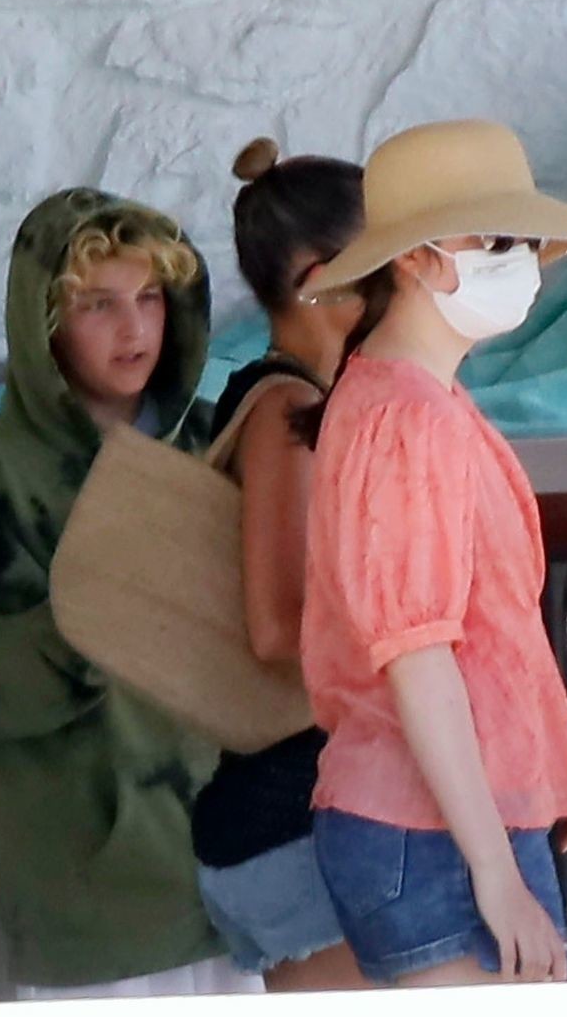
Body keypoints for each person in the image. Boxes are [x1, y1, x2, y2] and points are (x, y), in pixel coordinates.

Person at [294, 118, 567, 987]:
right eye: (498, 241)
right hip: (432, 833)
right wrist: (495, 873)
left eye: (525, 242)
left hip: (441, 824)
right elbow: (418, 658)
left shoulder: (409, 399)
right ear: (416, 257)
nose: (522, 263)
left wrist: (545, 776)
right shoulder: (409, 416)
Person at [0, 189, 252, 997]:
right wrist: (95, 617)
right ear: (43, 325)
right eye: (98, 305)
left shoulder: (222, 438)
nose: (134, 328)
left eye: (150, 298)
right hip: (89, 891)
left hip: (241, 877)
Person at [186, 138, 370, 990]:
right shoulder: (288, 407)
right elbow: (274, 627)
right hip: (290, 814)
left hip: (304, 805)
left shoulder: (309, 399)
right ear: (322, 278)